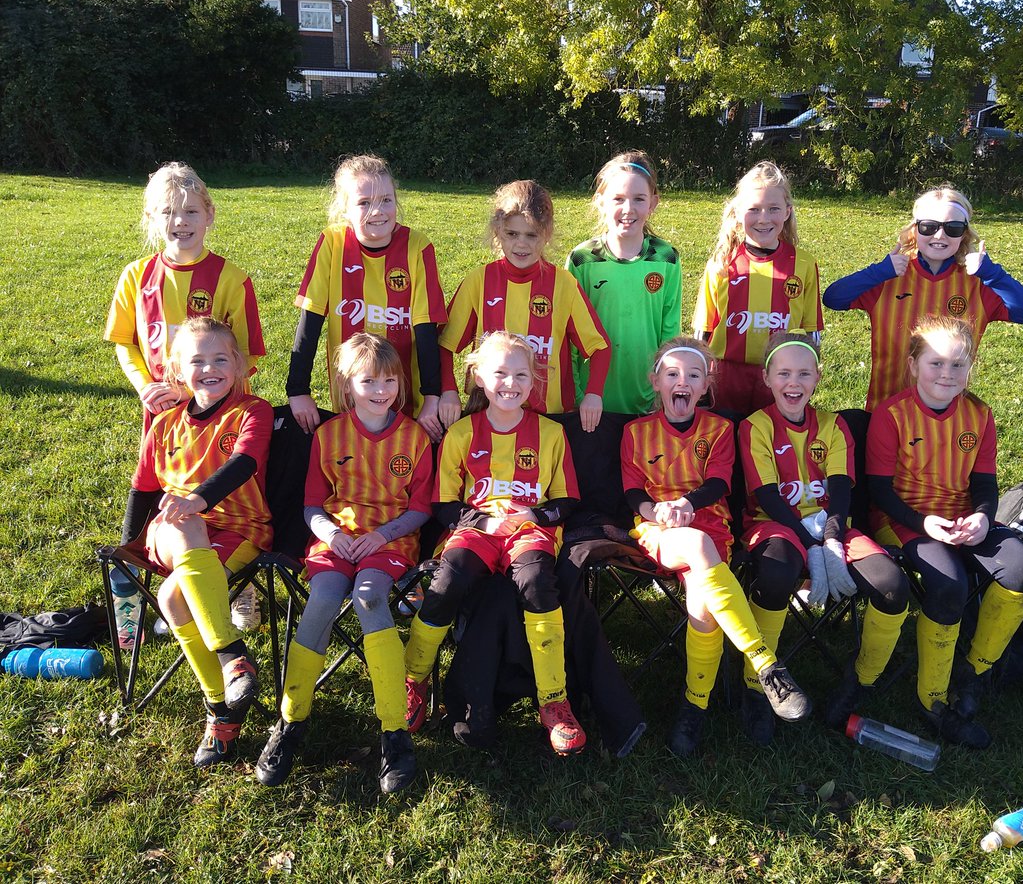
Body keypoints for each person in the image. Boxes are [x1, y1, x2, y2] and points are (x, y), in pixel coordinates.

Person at [256, 334, 433, 792]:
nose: (381, 389)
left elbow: (421, 509)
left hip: (390, 540)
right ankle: (290, 723)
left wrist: (382, 535)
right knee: (321, 600)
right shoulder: (329, 434)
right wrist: (332, 533)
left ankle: (394, 735)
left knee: (371, 597)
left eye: (390, 380)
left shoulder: (413, 436)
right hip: (335, 539)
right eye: (368, 380)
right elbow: (312, 505)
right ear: (346, 384)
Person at [621, 336, 811, 757]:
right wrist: (657, 512)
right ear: (656, 382)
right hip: (658, 531)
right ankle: (763, 662)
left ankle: (695, 704)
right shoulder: (635, 432)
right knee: (694, 544)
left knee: (702, 602)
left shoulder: (720, 428)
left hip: (711, 527)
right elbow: (633, 491)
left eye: (693, 375)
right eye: (672, 374)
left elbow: (720, 482)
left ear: (707, 385)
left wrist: (688, 503)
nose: (682, 381)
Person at [405, 331, 588, 755]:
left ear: (533, 380)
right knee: (447, 581)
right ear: (479, 377)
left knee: (540, 585)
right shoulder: (463, 433)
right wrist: (484, 521)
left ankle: (554, 701)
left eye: (521, 375)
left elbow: (568, 499)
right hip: (477, 527)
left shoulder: (550, 433)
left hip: (530, 530)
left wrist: (535, 515)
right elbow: (443, 504)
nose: (511, 383)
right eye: (500, 373)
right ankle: (414, 679)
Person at [863, 315, 1023, 748]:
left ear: (971, 366)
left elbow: (984, 484)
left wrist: (981, 516)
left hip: (961, 517)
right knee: (948, 583)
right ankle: (933, 700)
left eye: (958, 364)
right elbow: (878, 490)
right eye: (936, 363)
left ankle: (973, 672)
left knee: (1020, 565)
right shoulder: (891, 415)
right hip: (904, 521)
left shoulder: (979, 415)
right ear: (913, 365)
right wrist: (923, 523)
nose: (947, 374)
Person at [738, 332, 910, 744]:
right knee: (778, 574)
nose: (792, 382)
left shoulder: (834, 426)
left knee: (892, 586)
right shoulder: (754, 426)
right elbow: (766, 496)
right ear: (766, 377)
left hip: (831, 524)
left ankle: (859, 681)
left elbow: (841, 490)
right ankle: (756, 685)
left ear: (817, 377)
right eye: (783, 373)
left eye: (803, 373)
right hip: (775, 523)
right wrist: (809, 544)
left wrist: (831, 540)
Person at [122, 317, 270, 767]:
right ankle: (232, 655)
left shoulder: (252, 411)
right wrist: (129, 551)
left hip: (240, 529)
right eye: (196, 361)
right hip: (171, 529)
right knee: (184, 522)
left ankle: (220, 714)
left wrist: (199, 500)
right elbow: (143, 491)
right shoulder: (164, 424)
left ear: (240, 364)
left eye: (220, 359)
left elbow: (244, 463)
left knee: (172, 599)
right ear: (176, 370)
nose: (209, 369)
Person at [822, 185, 1023, 412]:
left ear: (964, 233)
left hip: (947, 414)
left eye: (953, 228)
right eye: (929, 226)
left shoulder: (976, 282)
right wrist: (878, 271)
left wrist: (993, 274)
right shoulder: (890, 276)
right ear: (915, 230)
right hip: (884, 407)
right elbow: (833, 298)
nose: (939, 235)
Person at [288, 154, 447, 441]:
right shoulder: (332, 243)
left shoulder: (417, 246)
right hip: (352, 395)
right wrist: (298, 390)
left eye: (386, 200)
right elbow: (309, 325)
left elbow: (425, 330)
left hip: (406, 397)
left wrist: (432, 396)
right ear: (345, 209)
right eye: (364, 203)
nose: (378, 211)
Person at [438, 180, 611, 433]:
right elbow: (444, 343)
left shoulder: (563, 284)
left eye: (532, 235)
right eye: (512, 234)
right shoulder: (479, 281)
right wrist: (448, 391)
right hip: (488, 413)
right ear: (498, 231)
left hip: (550, 420)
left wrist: (594, 394)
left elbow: (599, 347)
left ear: (547, 234)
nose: (522, 244)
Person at [105, 162, 265, 426]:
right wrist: (146, 387)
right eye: (168, 212)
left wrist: (188, 391)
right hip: (160, 405)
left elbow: (247, 356)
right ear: (151, 217)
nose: (180, 221)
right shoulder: (135, 276)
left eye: (191, 211)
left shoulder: (233, 280)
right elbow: (126, 343)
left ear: (209, 214)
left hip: (221, 407)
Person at [693, 161, 822, 418]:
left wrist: (808, 371)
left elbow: (811, 331)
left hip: (780, 374)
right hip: (726, 375)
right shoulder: (721, 262)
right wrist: (701, 373)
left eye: (773, 209)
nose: (764, 218)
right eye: (754, 209)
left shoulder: (804, 263)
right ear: (739, 213)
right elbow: (703, 330)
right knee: (725, 441)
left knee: (769, 443)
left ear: (787, 211)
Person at [566, 150, 682, 417]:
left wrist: (662, 391)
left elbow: (669, 332)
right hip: (591, 401)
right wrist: (578, 393)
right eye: (618, 199)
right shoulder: (582, 260)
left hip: (646, 401)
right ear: (601, 202)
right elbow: (569, 336)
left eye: (638, 199)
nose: (628, 209)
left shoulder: (666, 258)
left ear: (653, 202)